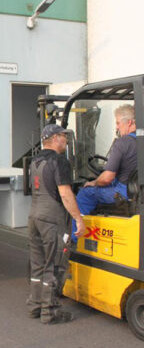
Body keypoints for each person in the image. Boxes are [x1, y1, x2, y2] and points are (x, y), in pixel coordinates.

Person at [27, 124, 85, 324]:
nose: (66, 140)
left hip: (34, 217)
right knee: (55, 264)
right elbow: (65, 193)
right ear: (54, 138)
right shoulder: (59, 161)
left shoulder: (34, 161)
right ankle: (50, 312)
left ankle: (35, 305)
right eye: (63, 136)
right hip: (52, 219)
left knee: (38, 265)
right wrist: (78, 218)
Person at [72, 104, 137, 236]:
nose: (117, 127)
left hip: (124, 192)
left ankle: (74, 238)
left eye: (118, 123)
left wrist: (94, 182)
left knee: (85, 193)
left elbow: (107, 178)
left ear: (129, 122)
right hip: (136, 190)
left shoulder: (123, 142)